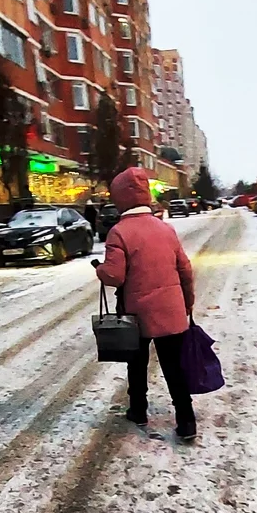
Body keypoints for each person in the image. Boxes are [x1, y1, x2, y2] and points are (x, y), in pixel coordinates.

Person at [94, 166, 197, 440]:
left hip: (136, 315)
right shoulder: (166, 229)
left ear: (119, 197)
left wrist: (100, 269)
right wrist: (187, 304)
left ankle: (138, 410)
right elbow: (185, 270)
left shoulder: (119, 232)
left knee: (136, 364)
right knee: (175, 367)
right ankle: (186, 421)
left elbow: (114, 277)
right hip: (171, 310)